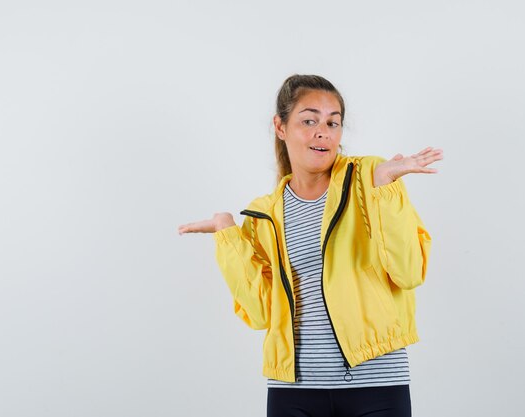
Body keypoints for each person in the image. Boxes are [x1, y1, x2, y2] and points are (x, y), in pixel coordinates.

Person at [178, 74, 443, 417]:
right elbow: (260, 314)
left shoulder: (372, 178)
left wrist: (384, 190)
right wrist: (227, 232)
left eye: (333, 123)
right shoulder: (263, 214)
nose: (323, 131)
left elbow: (408, 273)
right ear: (280, 126)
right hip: (294, 391)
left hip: (376, 383)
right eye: (309, 120)